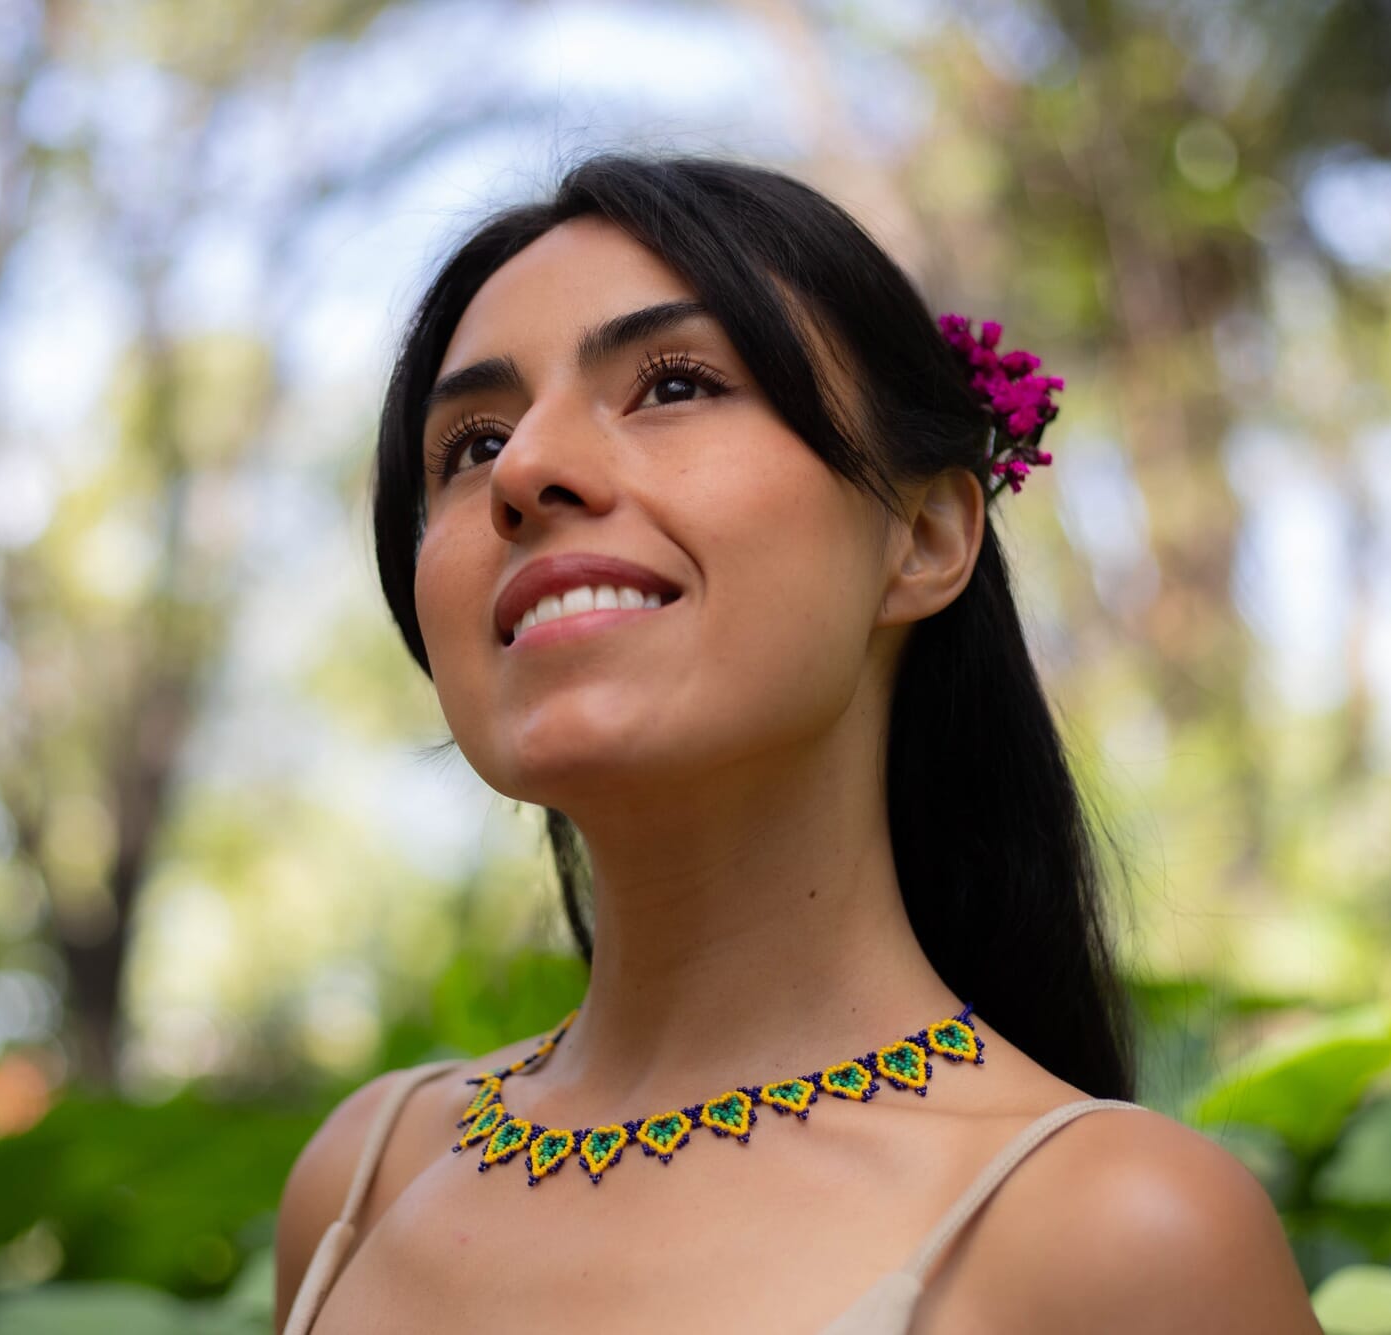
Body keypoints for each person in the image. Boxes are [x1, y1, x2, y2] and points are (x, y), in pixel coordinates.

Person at [274, 152, 1323, 1333]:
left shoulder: (1116, 1237)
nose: (521, 470)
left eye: (672, 385)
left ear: (922, 534)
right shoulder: (356, 1179)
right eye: (467, 445)